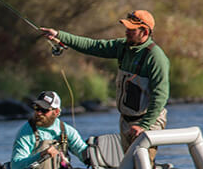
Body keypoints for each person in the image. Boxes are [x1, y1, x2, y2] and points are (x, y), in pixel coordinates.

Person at [40, 9, 170, 152]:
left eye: (131, 30)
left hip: (148, 120)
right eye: (126, 28)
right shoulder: (123, 46)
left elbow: (161, 96)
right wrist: (60, 35)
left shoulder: (156, 58)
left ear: (144, 32)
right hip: (127, 120)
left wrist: (144, 125)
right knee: (130, 166)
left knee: (142, 164)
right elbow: (93, 46)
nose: (126, 31)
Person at [8, 90, 93, 169]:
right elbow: (15, 166)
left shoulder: (66, 130)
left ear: (56, 112)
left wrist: (96, 156)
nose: (39, 113)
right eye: (36, 108)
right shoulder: (26, 132)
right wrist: (41, 155)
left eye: (44, 110)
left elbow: (84, 154)